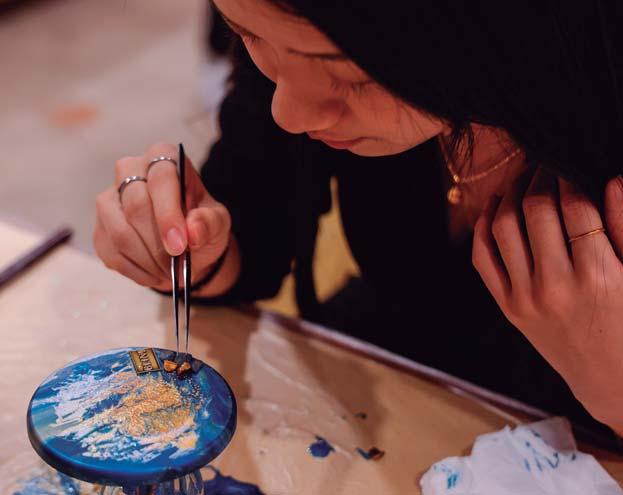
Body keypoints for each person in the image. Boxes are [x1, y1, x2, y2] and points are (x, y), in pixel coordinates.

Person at [93, 0, 623, 440]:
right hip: (381, 393)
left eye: (346, 74)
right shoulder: (296, 36)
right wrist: (194, 248)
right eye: (248, 35)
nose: (288, 114)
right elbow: (251, 217)